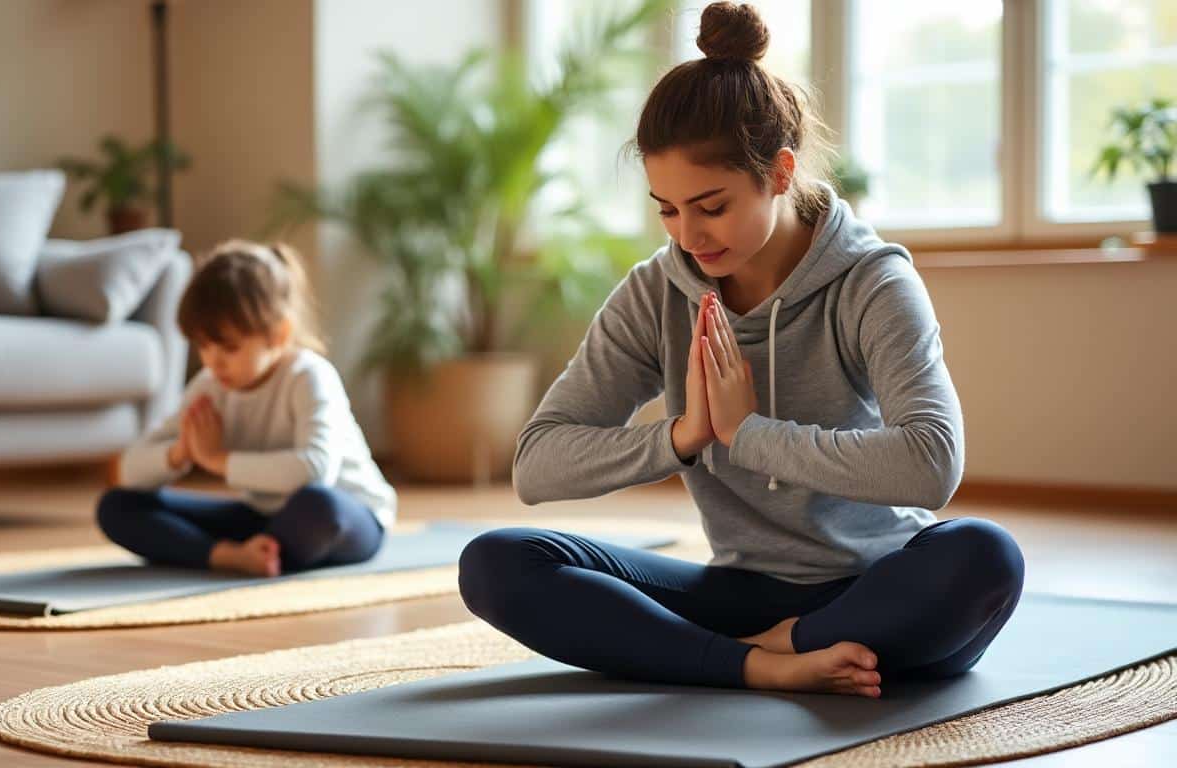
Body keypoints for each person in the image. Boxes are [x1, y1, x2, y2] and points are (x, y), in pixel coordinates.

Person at [458, 1, 1024, 698]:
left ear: (780, 173)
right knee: (496, 563)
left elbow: (932, 463)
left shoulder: (872, 282)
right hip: (737, 589)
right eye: (666, 208)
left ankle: (743, 654)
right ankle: (768, 665)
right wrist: (685, 437)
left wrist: (748, 435)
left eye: (711, 205)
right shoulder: (654, 293)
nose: (687, 234)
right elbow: (536, 466)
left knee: (985, 557)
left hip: (879, 585)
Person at [97, 239, 395, 577]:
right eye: (203, 346)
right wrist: (180, 453)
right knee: (117, 505)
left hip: (347, 516)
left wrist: (216, 461)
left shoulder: (309, 375)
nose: (213, 361)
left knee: (318, 506)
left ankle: (260, 552)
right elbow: (130, 470)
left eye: (229, 347)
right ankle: (232, 556)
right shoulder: (211, 385)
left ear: (278, 334)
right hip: (263, 516)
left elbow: (314, 470)